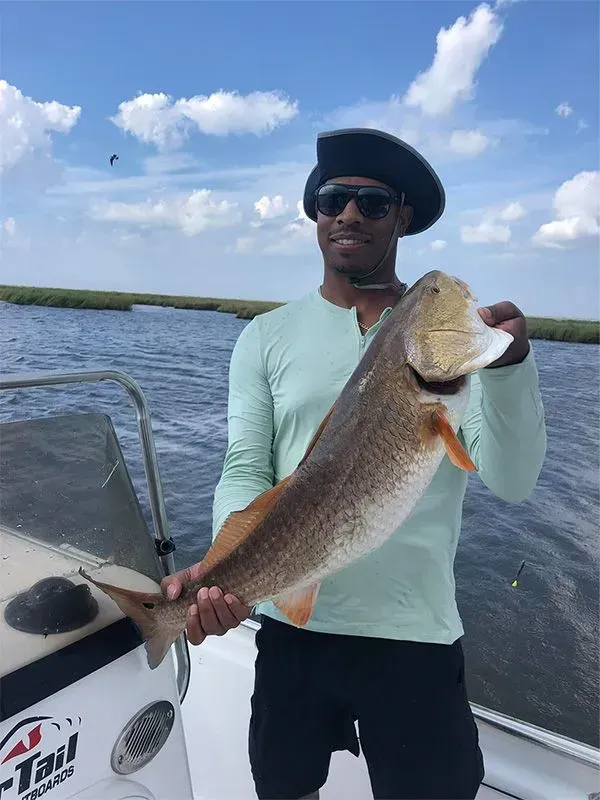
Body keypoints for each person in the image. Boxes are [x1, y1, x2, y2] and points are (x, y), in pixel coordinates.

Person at [163, 128, 547, 800]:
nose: (348, 215)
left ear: (402, 217)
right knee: (287, 788)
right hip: (291, 627)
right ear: (316, 213)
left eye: (372, 204)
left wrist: (511, 368)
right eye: (332, 199)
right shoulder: (265, 336)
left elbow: (513, 482)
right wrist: (228, 565)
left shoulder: (453, 363)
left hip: (416, 632)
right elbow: (246, 467)